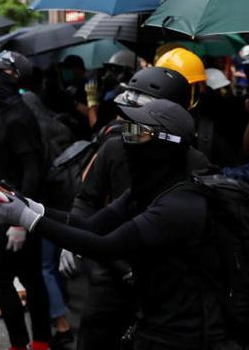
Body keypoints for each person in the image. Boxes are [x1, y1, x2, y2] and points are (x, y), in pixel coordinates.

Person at [0, 99, 239, 350]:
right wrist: (31, 206)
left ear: (166, 143)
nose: (127, 139)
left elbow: (103, 246)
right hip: (156, 318)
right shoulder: (149, 188)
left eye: (138, 133)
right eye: (128, 130)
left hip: (189, 332)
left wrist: (26, 219)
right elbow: (91, 225)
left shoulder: (180, 204)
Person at [72, 66, 207, 350]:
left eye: (140, 104)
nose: (128, 116)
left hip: (165, 286)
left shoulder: (195, 163)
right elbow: (87, 201)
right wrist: (70, 234)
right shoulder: (112, 148)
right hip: (111, 273)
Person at [0, 50, 52, 350]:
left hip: (19, 213)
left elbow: (33, 170)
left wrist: (21, 221)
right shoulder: (9, 113)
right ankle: (40, 343)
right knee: (31, 277)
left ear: (12, 77)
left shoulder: (18, 118)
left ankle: (20, 344)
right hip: (16, 206)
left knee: (0, 281)